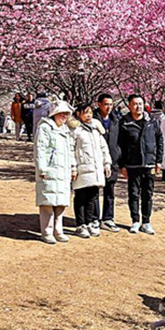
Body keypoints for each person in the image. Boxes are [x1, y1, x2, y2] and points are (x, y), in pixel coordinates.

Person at [118, 94, 163, 235]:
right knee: (133, 194)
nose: (138, 107)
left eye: (141, 104)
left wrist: (158, 160)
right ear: (129, 106)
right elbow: (120, 145)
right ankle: (135, 221)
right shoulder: (124, 122)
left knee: (148, 194)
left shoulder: (152, 122)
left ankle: (146, 221)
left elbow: (159, 140)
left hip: (149, 163)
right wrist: (122, 164)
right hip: (132, 164)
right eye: (135, 104)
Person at [34, 101, 76, 245]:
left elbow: (70, 150)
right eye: (61, 113)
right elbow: (40, 149)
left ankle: (58, 230)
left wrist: (73, 167)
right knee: (47, 202)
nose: (64, 116)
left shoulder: (65, 129)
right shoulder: (45, 127)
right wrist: (42, 169)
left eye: (66, 113)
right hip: (50, 170)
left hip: (63, 170)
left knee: (61, 203)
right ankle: (47, 232)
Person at [70, 104, 112, 238]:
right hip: (82, 168)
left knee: (92, 198)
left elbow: (103, 147)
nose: (88, 115)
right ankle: (80, 224)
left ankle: (89, 222)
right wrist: (73, 167)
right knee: (81, 197)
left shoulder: (95, 129)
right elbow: (70, 150)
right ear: (78, 114)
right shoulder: (75, 130)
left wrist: (107, 163)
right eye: (85, 113)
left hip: (95, 169)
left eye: (90, 113)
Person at [95, 94, 122, 232]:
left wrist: (119, 157)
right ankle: (94, 218)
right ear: (99, 104)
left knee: (110, 191)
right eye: (106, 104)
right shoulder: (92, 119)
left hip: (112, 160)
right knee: (93, 191)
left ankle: (107, 218)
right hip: (95, 161)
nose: (109, 107)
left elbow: (120, 140)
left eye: (111, 104)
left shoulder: (116, 120)